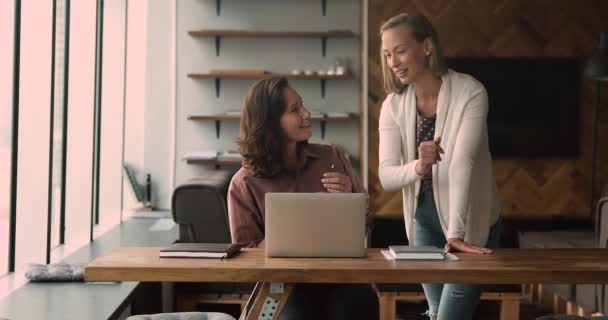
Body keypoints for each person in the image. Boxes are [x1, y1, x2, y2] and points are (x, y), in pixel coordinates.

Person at [377, 13, 502, 320]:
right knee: (436, 313)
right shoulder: (393, 105)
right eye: (387, 54)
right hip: (424, 220)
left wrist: (457, 233)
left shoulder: (470, 92)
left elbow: (462, 162)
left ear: (427, 46)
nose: (393, 62)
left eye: (401, 50)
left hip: (471, 218)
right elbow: (387, 176)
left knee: (449, 316)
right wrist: (419, 166)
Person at [227, 77, 379, 320]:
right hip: (283, 285)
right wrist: (287, 244)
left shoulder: (331, 157)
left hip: (340, 279)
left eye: (302, 105)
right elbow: (246, 255)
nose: (307, 114)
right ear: (270, 123)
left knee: (359, 304)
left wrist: (351, 199)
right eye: (294, 110)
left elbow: (366, 223)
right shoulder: (244, 182)